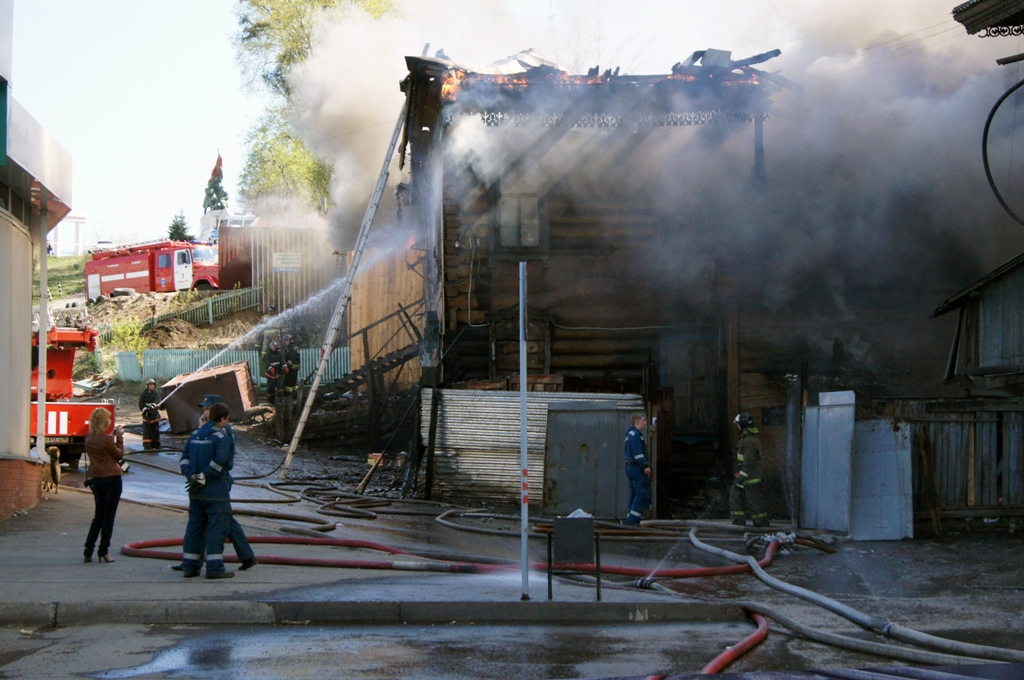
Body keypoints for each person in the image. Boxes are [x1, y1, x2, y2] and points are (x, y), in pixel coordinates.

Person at [179, 403, 256, 578]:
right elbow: (222, 463)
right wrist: (203, 478)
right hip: (216, 491)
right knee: (217, 528)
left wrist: (192, 477)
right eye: (226, 419)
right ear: (222, 419)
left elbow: (184, 459)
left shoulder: (194, 435)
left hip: (196, 492)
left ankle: (190, 566)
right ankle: (214, 567)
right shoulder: (222, 437)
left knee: (195, 527)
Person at [83, 408, 124, 563]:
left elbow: (102, 448)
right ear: (103, 422)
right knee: (109, 517)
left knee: (98, 516)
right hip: (112, 479)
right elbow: (118, 455)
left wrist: (111, 437)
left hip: (97, 480)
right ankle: (104, 551)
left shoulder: (89, 438)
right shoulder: (107, 439)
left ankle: (88, 550)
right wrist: (119, 439)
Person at [729, 413, 769, 528]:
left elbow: (748, 463)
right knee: (737, 497)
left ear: (742, 425)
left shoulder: (750, 441)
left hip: (749, 478)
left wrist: (740, 479)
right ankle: (739, 524)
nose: (737, 426)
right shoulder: (747, 439)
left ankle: (761, 526)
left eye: (738, 424)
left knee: (754, 503)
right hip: (747, 477)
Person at [623, 413, 651, 526]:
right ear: (637, 422)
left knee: (634, 494)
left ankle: (630, 519)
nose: (645, 423)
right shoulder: (635, 436)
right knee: (642, 494)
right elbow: (638, 454)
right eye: (643, 421)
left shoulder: (630, 434)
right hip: (636, 468)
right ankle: (633, 522)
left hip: (630, 468)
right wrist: (645, 466)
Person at [138, 379, 163, 450]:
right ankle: (147, 445)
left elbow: (157, 401)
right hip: (146, 415)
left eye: (153, 384)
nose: (152, 386)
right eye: (150, 385)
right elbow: (141, 404)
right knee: (147, 431)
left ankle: (156, 445)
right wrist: (144, 409)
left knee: (155, 430)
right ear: (147, 386)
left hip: (154, 415)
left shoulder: (156, 393)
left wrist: (153, 406)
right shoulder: (143, 394)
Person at [262, 340, 284, 406]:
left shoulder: (280, 354)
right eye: (272, 347)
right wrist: (271, 369)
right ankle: (271, 402)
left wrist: (284, 366)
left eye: (274, 346)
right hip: (270, 375)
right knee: (270, 388)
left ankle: (280, 401)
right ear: (270, 347)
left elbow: (283, 361)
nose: (273, 348)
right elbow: (267, 363)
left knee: (280, 387)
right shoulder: (268, 355)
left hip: (279, 373)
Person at [282, 335, 301, 400]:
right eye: (285, 340)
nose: (286, 342)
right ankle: (294, 396)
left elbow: (292, 358)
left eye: (287, 340)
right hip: (294, 368)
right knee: (293, 383)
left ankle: (288, 396)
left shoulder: (292, 348)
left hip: (292, 368)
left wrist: (287, 366)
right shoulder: (290, 347)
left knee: (288, 383)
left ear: (291, 340)